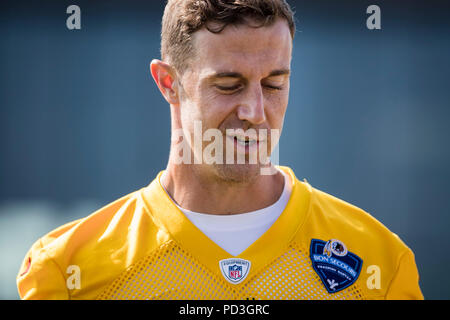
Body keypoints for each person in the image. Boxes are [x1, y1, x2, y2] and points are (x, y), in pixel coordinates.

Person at [17, 0, 423, 300]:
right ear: (167, 83)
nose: (255, 112)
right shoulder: (67, 269)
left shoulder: (378, 262)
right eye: (228, 84)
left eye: (275, 83)